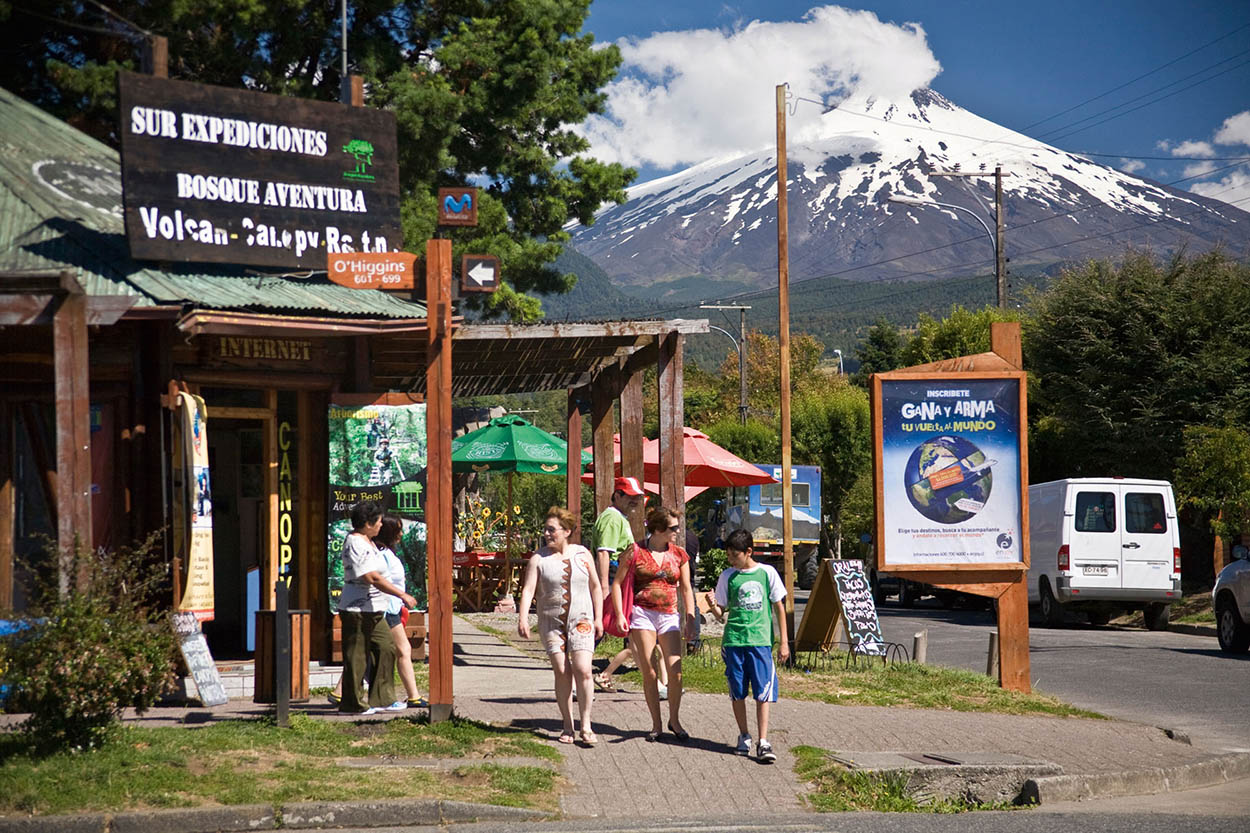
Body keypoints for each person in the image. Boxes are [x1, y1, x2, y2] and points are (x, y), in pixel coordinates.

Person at [517, 506, 604, 745]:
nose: (547, 533)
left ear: (567, 531)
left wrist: (599, 617)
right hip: (551, 622)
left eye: (552, 529)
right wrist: (523, 617)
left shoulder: (583, 554)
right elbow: (528, 590)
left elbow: (596, 586)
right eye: (545, 529)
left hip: (582, 619)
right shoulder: (539, 559)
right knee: (562, 671)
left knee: (584, 669)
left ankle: (586, 724)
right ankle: (568, 724)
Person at [610, 506, 696, 742]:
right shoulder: (635, 551)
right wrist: (620, 615)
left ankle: (674, 720)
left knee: (675, 672)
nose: (677, 532)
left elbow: (687, 588)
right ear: (658, 530)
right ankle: (656, 724)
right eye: (673, 528)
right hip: (642, 613)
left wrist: (691, 617)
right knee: (649, 670)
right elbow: (617, 584)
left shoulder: (679, 554)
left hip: (669, 614)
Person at [703, 528, 789, 763]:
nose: (731, 560)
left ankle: (763, 740)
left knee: (763, 692)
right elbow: (721, 614)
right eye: (729, 556)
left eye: (734, 556)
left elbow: (779, 607)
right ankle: (744, 735)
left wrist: (784, 642)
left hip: (760, 641)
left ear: (748, 552)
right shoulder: (727, 576)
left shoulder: (767, 573)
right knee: (737, 691)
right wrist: (712, 604)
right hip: (734, 641)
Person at [337, 500, 417, 715]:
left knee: (386, 647)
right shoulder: (355, 542)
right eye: (379, 522)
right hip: (357, 610)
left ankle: (382, 698)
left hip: (375, 609)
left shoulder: (369, 541)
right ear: (367, 523)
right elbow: (371, 576)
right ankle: (352, 705)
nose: (381, 525)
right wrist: (402, 594)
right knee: (357, 656)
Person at [592, 477, 650, 693]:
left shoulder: (618, 517)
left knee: (615, 628)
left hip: (619, 575)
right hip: (613, 576)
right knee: (601, 626)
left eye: (637, 497)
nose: (635, 501)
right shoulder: (612, 518)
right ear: (617, 495)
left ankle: (596, 674)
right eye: (630, 497)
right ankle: (578, 674)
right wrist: (605, 586)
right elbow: (604, 552)